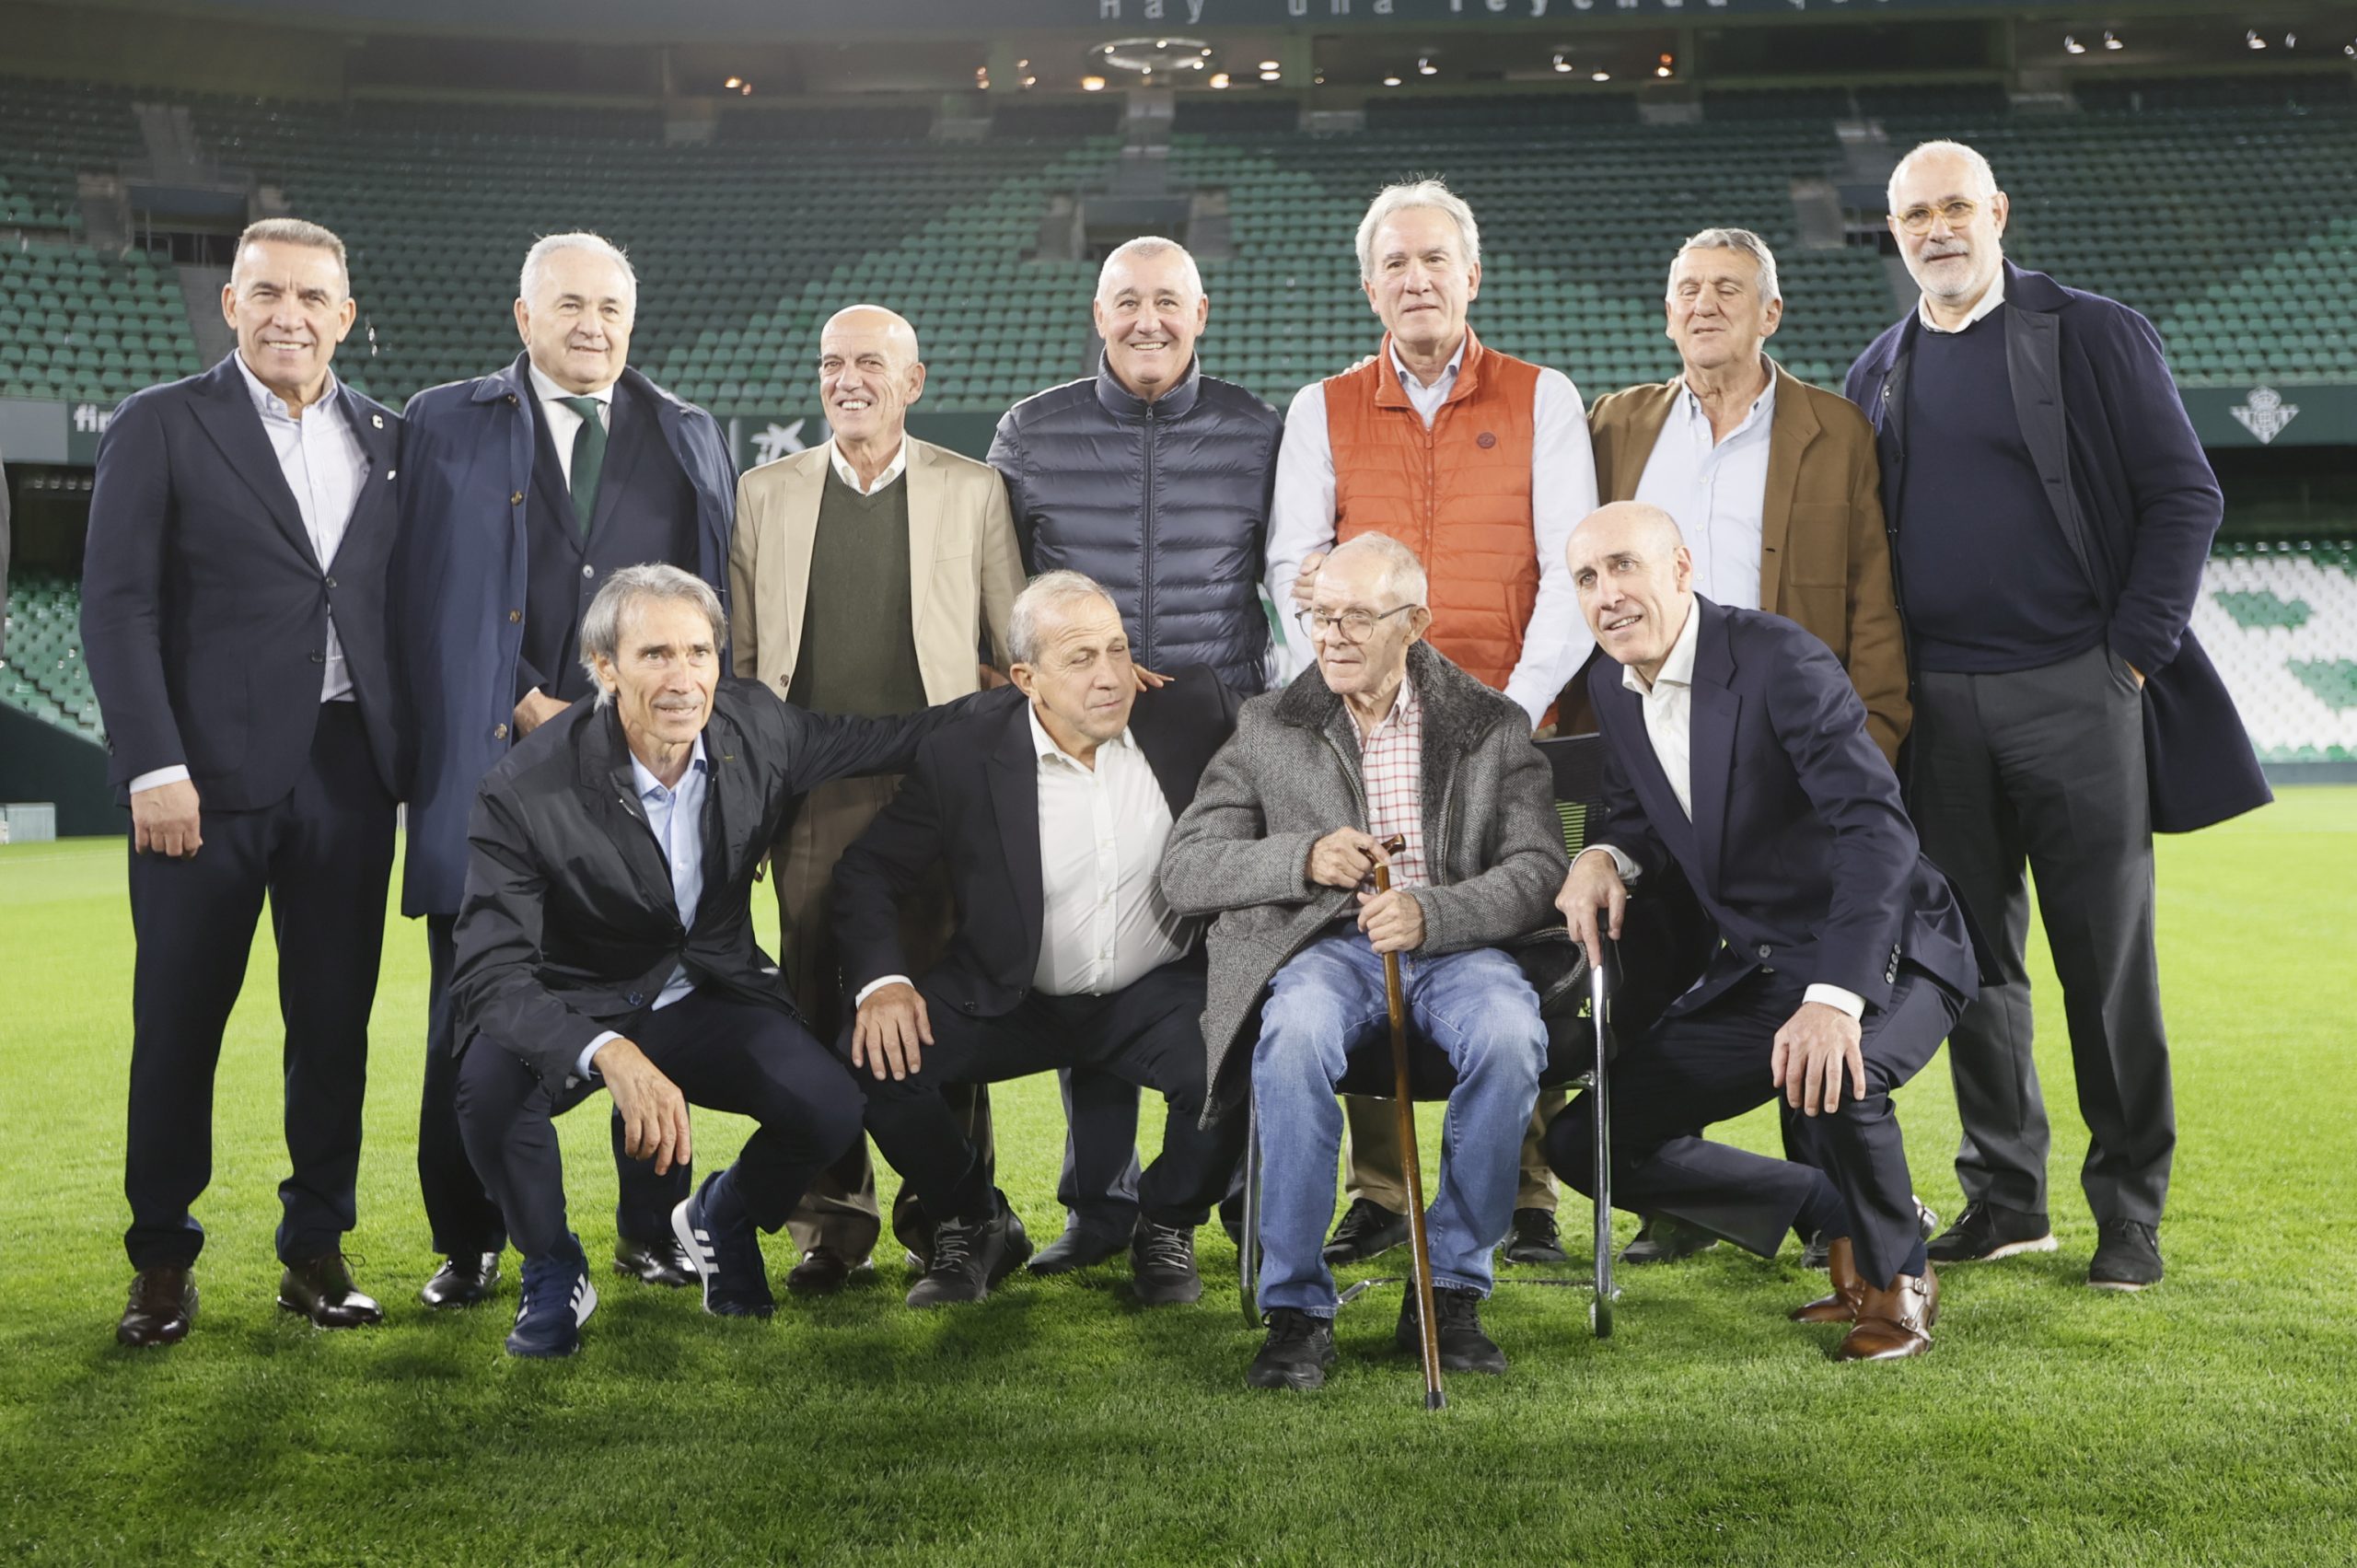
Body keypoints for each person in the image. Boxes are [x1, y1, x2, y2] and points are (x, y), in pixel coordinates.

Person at [1847, 142, 2270, 1289]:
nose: (1936, 228)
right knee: (1973, 964)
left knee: (2104, 963)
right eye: (1913, 214)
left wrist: (2127, 657)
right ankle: (2007, 1194)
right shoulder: (1876, 368)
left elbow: (2186, 494)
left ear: (1996, 213)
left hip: (2075, 690)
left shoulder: (2092, 331)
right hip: (1939, 707)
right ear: (1893, 231)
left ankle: (2128, 1208)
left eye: (1954, 207)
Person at [448, 564, 1000, 1356]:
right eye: (655, 655)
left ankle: (723, 1217)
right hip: (581, 1002)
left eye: (700, 653)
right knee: (487, 1090)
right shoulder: (525, 787)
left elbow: (894, 737)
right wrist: (606, 1050)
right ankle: (553, 1268)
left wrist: (1036, 694)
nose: (684, 679)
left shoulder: (756, 729)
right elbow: (488, 973)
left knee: (831, 1106)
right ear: (604, 669)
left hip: (707, 990)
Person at [1549, 503, 1980, 1361]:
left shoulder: (1778, 659)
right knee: (1584, 1140)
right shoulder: (1609, 681)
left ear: (1681, 568)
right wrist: (1601, 853)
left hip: (1889, 944)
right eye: (1588, 579)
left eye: (1625, 566)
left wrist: (1835, 997)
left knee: (1840, 1070)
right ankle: (1843, 1211)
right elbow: (1638, 812)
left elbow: (1875, 832)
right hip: (1765, 966)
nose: (1607, 595)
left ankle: (1898, 1277)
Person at [1262, 177, 1599, 1269]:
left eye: (1434, 261)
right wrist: (1337, 670)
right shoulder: (1321, 406)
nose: (1416, 279)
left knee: (1509, 926)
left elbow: (1567, 568)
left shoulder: (1542, 396)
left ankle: (1525, 1189)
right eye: (1395, 264)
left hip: (1511, 716)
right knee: (1368, 921)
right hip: (1364, 721)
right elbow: (1290, 564)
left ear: (1471, 275)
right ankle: (1380, 1189)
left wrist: (1515, 700)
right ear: (1371, 285)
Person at [397, 231, 737, 1308]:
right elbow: (413, 598)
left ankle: (653, 1226)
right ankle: (469, 1237)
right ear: (523, 316)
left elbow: (706, 614)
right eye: (570, 305)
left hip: (640, 788)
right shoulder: (443, 421)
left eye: (610, 308)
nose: (592, 326)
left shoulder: (684, 431)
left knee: (654, 999)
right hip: (494, 781)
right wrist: (514, 700)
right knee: (473, 1011)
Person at [83, 218, 403, 1346]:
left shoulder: (388, 436)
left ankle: (314, 1247)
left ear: (344, 316)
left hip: (350, 774)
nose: (289, 315)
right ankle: (161, 1258)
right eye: (266, 292)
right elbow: (116, 606)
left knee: (333, 1025)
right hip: (199, 783)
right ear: (230, 304)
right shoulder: (162, 423)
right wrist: (152, 764)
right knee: (177, 1023)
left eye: (313, 297)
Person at [1162, 533, 1573, 1391]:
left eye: (1357, 616)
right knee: (1293, 1033)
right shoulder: (1269, 724)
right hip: (1325, 949)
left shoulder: (1491, 723)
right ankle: (1297, 1309)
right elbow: (1188, 865)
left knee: (1509, 1036)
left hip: (1458, 949)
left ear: (1414, 623)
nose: (1333, 634)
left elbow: (1539, 870)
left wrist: (1433, 912)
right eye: (1318, 615)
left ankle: (1449, 1288)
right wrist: (1303, 858)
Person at [1582, 226, 1913, 1268]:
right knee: (1655, 993)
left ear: (1771, 313)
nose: (1703, 304)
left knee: (1809, 991)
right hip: (1677, 770)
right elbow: (1589, 570)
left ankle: (1857, 1237)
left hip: (1794, 762)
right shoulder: (1617, 424)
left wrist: (1873, 749)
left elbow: (1868, 598)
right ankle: (1687, 1205)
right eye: (1686, 288)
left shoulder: (1832, 427)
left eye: (1729, 288)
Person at [987, 236, 1283, 1272]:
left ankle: (1185, 1215)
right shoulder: (1032, 429)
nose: (1146, 320)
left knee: (1225, 974)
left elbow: (1281, 576)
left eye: (1167, 301)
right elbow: (1000, 589)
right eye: (1126, 302)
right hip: (1080, 735)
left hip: (1219, 739)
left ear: (1201, 313)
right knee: (1095, 955)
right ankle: (1097, 1208)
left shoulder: (1258, 429)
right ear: (1097, 313)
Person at [831, 572, 1245, 1308]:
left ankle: (1167, 1222)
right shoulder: (965, 748)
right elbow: (869, 869)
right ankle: (973, 1219)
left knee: (1234, 1061)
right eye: (1081, 658)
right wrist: (883, 983)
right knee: (876, 1061)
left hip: (1156, 990)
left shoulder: (1191, 709)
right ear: (1027, 678)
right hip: (1011, 992)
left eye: (1118, 650)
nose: (1112, 676)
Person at [728, 303, 1023, 1295]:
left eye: (868, 362)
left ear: (913, 380)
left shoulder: (974, 488)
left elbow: (1009, 647)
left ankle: (951, 1215)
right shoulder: (763, 493)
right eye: (831, 364)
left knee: (940, 1003)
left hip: (939, 790)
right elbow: (741, 662)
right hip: (812, 789)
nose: (847, 378)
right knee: (817, 999)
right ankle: (832, 1220)